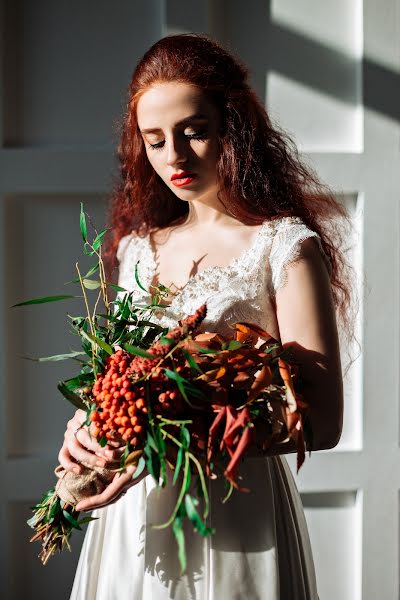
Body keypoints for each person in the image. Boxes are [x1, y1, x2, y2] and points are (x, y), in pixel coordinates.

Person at [59, 33, 358, 599]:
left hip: (236, 508)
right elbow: (119, 377)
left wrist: (168, 428)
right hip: (136, 516)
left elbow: (322, 420)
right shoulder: (137, 249)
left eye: (193, 131)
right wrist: (89, 429)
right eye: (154, 140)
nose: (173, 156)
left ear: (233, 127)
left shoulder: (283, 247)